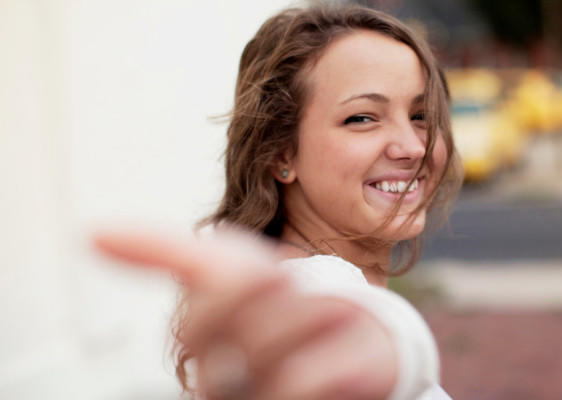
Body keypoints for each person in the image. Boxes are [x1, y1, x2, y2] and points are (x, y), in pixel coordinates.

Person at [94, 4, 461, 400]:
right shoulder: (315, 298)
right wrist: (394, 345)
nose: (411, 147)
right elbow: (344, 337)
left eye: (421, 115)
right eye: (362, 118)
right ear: (280, 153)